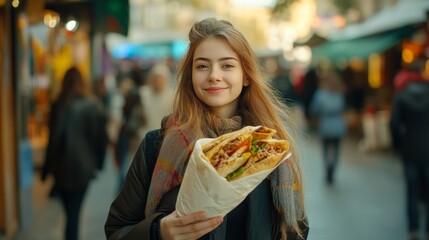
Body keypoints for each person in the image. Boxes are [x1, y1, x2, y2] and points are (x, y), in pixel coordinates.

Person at [104, 18, 308, 240]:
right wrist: (158, 232)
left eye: (227, 65)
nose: (214, 75)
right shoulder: (156, 146)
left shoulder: (269, 149)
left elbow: (296, 229)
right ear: (191, 77)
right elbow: (117, 229)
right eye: (202, 66)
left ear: (246, 75)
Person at [42, 67, 108, 240]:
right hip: (83, 169)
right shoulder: (92, 105)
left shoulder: (58, 104)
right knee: (74, 213)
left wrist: (46, 170)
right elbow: (100, 139)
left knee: (70, 213)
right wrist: (99, 163)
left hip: (61, 169)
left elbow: (53, 140)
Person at [390, 58, 429, 240]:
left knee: (412, 191)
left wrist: (398, 144)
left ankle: (413, 228)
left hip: (410, 148)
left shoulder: (402, 95)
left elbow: (394, 124)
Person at [309, 69, 346, 185]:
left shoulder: (320, 94)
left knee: (325, 149)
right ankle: (332, 168)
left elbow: (314, 108)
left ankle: (327, 168)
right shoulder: (340, 94)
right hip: (338, 124)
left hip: (325, 124)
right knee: (336, 149)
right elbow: (343, 108)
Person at [140, 63, 175, 134]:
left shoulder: (172, 96)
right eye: (155, 79)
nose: (158, 82)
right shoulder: (143, 94)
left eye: (160, 79)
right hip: (146, 132)